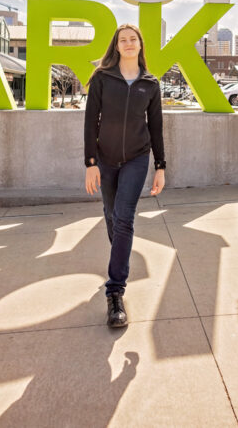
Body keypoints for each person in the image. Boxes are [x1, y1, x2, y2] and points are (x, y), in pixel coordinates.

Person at [84, 24, 166, 328]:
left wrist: (161, 166)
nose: (129, 43)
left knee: (125, 218)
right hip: (104, 160)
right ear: (116, 46)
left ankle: (115, 292)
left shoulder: (150, 84)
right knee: (112, 215)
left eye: (133, 39)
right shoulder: (102, 78)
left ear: (141, 45)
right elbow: (90, 121)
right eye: (123, 40)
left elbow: (156, 127)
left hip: (137, 158)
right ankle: (119, 255)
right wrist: (90, 162)